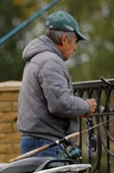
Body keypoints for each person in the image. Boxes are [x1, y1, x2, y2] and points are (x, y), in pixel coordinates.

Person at [17, 11, 97, 158]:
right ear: (65, 39)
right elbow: (61, 104)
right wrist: (86, 106)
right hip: (43, 144)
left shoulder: (40, 57)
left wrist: (78, 110)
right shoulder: (50, 61)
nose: (75, 48)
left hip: (39, 141)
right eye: (75, 42)